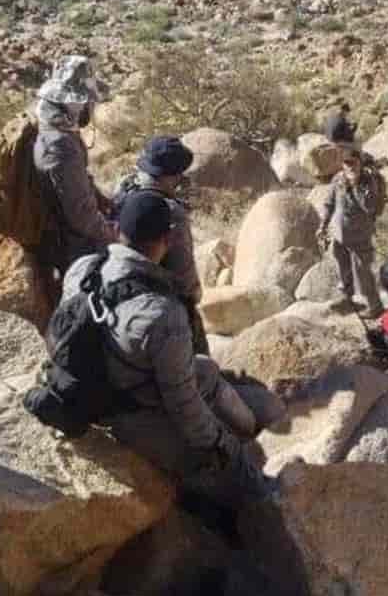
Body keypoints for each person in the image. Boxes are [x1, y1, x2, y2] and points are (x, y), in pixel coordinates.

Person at [70, 191, 284, 512]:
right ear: (167, 239)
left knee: (206, 370)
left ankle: (249, 428)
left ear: (118, 229)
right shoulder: (161, 313)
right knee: (233, 466)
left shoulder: (83, 270)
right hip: (133, 415)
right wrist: (222, 445)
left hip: (96, 389)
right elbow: (184, 406)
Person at [114, 135, 208, 354]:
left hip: (115, 289)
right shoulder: (170, 212)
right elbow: (184, 276)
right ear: (173, 175)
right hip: (157, 305)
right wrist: (193, 297)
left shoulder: (122, 190)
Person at [32, 55, 116, 276]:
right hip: (70, 245)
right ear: (73, 103)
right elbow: (81, 217)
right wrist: (116, 235)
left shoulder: (53, 127)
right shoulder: (59, 144)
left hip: (67, 230)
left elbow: (77, 180)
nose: (88, 107)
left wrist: (103, 200)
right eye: (85, 102)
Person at [317, 115, 386, 322]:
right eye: (344, 161)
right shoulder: (339, 177)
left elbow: (370, 207)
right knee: (342, 268)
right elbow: (329, 201)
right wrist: (323, 224)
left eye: (350, 161)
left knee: (363, 272)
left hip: (359, 235)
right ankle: (347, 298)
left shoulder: (366, 180)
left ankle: (374, 306)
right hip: (339, 234)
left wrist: (356, 184)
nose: (346, 164)